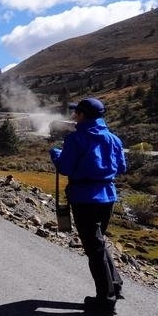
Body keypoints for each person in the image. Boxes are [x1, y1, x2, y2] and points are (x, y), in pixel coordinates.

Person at [49, 98, 126, 315]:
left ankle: (106, 301)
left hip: (84, 198)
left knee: (94, 249)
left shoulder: (75, 139)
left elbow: (65, 167)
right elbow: (121, 167)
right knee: (99, 242)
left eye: (76, 112)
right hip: (108, 196)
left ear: (82, 114)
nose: (74, 116)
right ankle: (116, 285)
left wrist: (56, 155)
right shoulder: (114, 139)